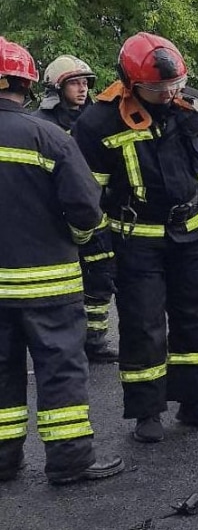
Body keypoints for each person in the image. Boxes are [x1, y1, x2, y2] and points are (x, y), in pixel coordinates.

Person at [72, 32, 198, 443]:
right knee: (143, 325)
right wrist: (98, 251)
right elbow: (87, 196)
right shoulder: (98, 122)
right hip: (136, 239)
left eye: (176, 84)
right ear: (131, 83)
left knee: (195, 319)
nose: (169, 94)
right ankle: (147, 412)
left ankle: (194, 402)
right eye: (159, 88)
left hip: (193, 232)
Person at [0, 36, 124, 484]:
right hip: (49, 285)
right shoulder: (48, 136)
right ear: (28, 83)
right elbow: (86, 208)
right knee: (60, 370)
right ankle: (69, 461)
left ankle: (3, 460)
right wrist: (79, 238)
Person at [31, 55, 120, 364]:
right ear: (57, 87)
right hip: (54, 218)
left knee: (100, 277)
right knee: (58, 286)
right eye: (75, 83)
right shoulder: (40, 125)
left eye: (85, 83)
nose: (83, 89)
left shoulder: (95, 122)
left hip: (94, 213)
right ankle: (58, 342)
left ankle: (94, 340)